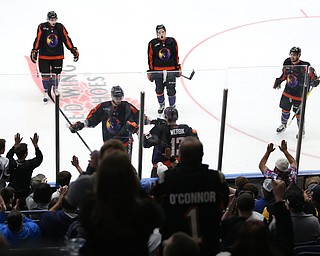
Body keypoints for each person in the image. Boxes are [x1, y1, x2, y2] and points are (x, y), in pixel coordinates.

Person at [151, 137, 229, 256]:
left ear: (180, 155)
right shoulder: (216, 179)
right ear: (202, 155)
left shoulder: (167, 180)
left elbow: (155, 210)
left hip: (174, 249)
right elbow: (223, 205)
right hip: (208, 248)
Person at [78, 150, 163, 256]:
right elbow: (157, 216)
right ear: (131, 177)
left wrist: (91, 169)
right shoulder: (145, 208)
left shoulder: (90, 206)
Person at [69, 86, 140, 156]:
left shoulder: (127, 106)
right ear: (112, 96)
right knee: (108, 166)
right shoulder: (103, 107)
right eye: (116, 97)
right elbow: (92, 119)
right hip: (108, 144)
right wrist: (81, 124)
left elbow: (139, 116)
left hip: (125, 143)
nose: (118, 100)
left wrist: (149, 121)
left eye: (120, 97)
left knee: (124, 166)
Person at [30, 11, 79, 103]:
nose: (53, 21)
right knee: (45, 75)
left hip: (57, 56)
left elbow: (66, 38)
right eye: (52, 19)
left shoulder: (60, 27)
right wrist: (34, 50)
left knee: (56, 74)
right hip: (44, 56)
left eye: (55, 19)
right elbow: (38, 39)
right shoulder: (42, 26)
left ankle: (55, 88)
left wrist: (72, 49)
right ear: (48, 19)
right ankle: (46, 91)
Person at [273, 46, 318, 138]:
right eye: (291, 54)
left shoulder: (305, 67)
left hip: (299, 95)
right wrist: (279, 81)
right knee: (285, 109)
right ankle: (283, 125)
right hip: (287, 92)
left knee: (299, 114)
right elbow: (284, 75)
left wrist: (315, 81)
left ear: (299, 55)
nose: (292, 56)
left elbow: (313, 78)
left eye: (295, 55)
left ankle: (301, 130)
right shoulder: (287, 64)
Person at [143, 107, 198, 177]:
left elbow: (146, 143)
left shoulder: (160, 129)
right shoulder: (186, 128)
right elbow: (196, 143)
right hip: (180, 168)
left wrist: (137, 131)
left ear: (165, 117)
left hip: (161, 168)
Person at [147, 24, 181, 114]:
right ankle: (162, 105)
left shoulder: (172, 41)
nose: (161, 34)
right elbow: (150, 58)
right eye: (159, 32)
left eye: (162, 32)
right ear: (157, 34)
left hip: (170, 70)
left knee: (171, 89)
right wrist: (150, 71)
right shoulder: (152, 43)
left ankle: (172, 107)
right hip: (158, 71)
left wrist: (177, 68)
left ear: (165, 32)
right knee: (159, 90)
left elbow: (176, 55)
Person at [6, 133, 43, 210]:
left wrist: (15, 145)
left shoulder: (12, 163)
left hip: (13, 191)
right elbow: (39, 158)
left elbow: (9, 155)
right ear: (26, 154)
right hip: (25, 192)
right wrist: (35, 145)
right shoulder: (29, 165)